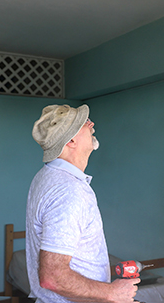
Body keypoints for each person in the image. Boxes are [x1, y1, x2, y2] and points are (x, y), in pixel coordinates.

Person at [26, 104, 140, 303]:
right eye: (83, 123)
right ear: (70, 140)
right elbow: (52, 276)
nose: (91, 124)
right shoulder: (69, 190)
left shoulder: (45, 176)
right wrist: (112, 293)